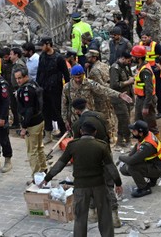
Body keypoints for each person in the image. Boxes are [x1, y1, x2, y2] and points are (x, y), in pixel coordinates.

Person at [42, 121, 123, 237]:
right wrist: (118, 183)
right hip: (99, 185)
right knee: (105, 215)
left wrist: (47, 177)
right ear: (95, 132)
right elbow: (111, 167)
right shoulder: (101, 146)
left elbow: (60, 164)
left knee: (80, 218)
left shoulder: (73, 145)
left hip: (81, 187)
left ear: (81, 131)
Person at [70, 98, 122, 228]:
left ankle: (92, 214)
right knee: (108, 185)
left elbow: (78, 146)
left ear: (76, 110)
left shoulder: (78, 125)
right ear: (87, 105)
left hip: (88, 161)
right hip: (105, 154)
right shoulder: (101, 116)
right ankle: (115, 217)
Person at [118, 120, 161, 198]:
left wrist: (121, 157)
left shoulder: (147, 146)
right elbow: (135, 149)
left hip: (158, 167)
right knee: (124, 168)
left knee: (131, 167)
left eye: (134, 130)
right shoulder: (146, 135)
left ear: (140, 133)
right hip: (155, 164)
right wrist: (126, 158)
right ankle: (153, 179)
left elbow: (131, 161)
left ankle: (144, 188)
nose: (132, 132)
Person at [14, 67, 47, 177]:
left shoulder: (26, 90)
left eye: (20, 78)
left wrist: (24, 128)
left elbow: (29, 110)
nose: (18, 81)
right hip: (40, 120)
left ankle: (36, 176)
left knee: (32, 151)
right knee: (39, 148)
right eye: (16, 78)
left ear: (26, 77)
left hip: (32, 124)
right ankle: (44, 169)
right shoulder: (33, 84)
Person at [36, 37, 69, 140]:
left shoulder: (59, 58)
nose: (41, 47)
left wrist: (67, 89)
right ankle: (48, 133)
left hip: (55, 89)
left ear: (48, 44)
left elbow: (66, 75)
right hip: (44, 88)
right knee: (45, 111)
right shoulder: (42, 57)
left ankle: (63, 132)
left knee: (58, 110)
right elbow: (39, 72)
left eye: (43, 45)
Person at [130, 45, 157, 133]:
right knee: (138, 123)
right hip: (140, 98)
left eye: (133, 56)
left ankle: (156, 145)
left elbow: (149, 90)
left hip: (146, 99)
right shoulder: (141, 67)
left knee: (150, 125)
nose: (132, 57)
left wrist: (146, 106)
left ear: (138, 57)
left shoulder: (145, 71)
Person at [109, 52, 134, 146]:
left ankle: (120, 140)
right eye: (128, 60)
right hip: (118, 98)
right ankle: (128, 140)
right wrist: (128, 82)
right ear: (123, 58)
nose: (129, 62)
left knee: (123, 119)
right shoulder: (114, 68)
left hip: (126, 97)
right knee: (125, 119)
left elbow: (129, 77)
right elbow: (114, 85)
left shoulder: (126, 66)